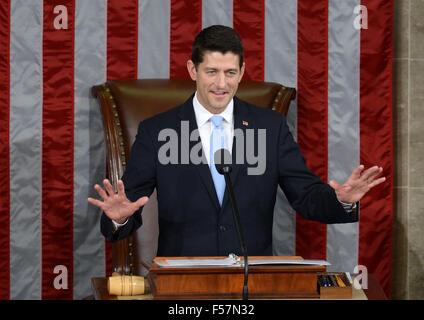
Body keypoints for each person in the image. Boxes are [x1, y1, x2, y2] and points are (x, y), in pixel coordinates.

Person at [88, 25, 385, 257]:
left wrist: (341, 201)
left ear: (242, 72)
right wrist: (119, 219)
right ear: (193, 70)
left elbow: (306, 196)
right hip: (182, 283)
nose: (221, 84)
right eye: (212, 72)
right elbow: (129, 204)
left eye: (230, 73)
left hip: (250, 280)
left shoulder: (270, 127)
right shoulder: (157, 131)